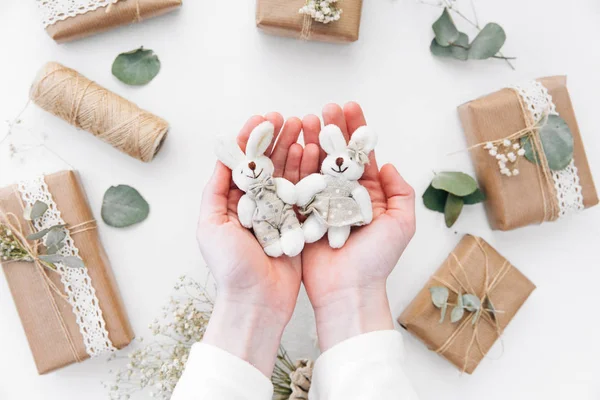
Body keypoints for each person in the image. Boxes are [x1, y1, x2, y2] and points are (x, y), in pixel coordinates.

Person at [172, 103, 419, 400]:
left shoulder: (331, 185)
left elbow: (302, 194)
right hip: (275, 223)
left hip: (312, 217)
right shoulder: (265, 190)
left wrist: (363, 218)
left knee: (317, 229)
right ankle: (287, 240)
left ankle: (294, 237)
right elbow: (293, 195)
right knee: (308, 228)